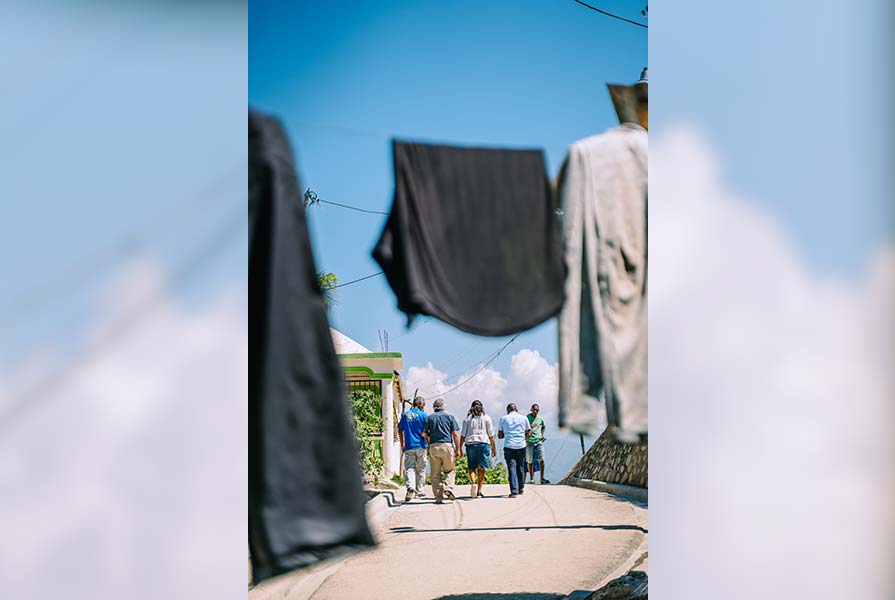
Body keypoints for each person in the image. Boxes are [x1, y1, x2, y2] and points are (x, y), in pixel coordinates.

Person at [422, 398, 461, 504]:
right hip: (447, 446)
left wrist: (430, 442)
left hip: (434, 446)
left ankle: (438, 498)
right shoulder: (450, 417)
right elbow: (455, 434)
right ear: (444, 406)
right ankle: (448, 487)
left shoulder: (429, 418)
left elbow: (424, 434)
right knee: (450, 470)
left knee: (435, 474)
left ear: (434, 407)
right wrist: (458, 449)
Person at [460, 400, 496, 499]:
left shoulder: (467, 419)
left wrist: (459, 448)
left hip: (471, 444)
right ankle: (479, 491)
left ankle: (473, 482)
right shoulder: (487, 418)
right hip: (484, 444)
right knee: (481, 468)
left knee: (471, 467)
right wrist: (493, 448)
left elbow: (463, 435)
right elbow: (491, 435)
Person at [397, 396, 428, 501]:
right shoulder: (424, 415)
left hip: (409, 445)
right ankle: (420, 491)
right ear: (420, 405)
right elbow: (427, 432)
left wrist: (402, 444)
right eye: (423, 405)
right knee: (421, 469)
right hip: (421, 445)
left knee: (410, 468)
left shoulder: (405, 415)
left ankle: (410, 487)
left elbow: (400, 430)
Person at [497, 403, 531, 498]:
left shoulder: (503, 418)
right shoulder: (524, 418)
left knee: (512, 468)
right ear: (517, 409)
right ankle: (521, 488)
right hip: (521, 445)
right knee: (520, 467)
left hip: (509, 445)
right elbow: (528, 433)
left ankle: (514, 491)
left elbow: (500, 435)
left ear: (508, 410)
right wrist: (521, 437)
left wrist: (508, 434)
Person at [526, 403, 549, 485]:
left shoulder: (540, 418)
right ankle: (532, 479)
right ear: (531, 410)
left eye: (537, 410)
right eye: (534, 410)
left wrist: (542, 435)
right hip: (529, 442)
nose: (535, 411)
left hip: (538, 441)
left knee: (541, 460)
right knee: (530, 461)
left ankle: (542, 478)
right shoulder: (527, 418)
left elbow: (543, 426)